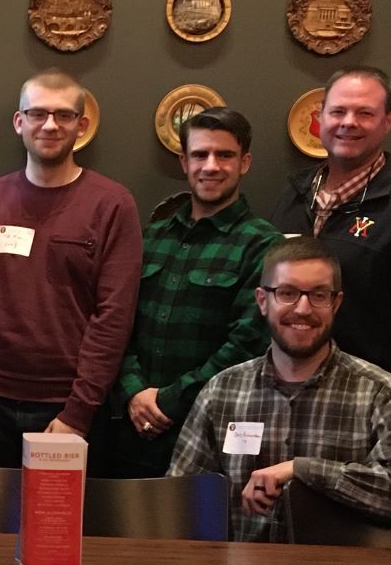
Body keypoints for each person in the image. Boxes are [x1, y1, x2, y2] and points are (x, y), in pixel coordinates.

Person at [169, 237, 391, 543]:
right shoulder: (221, 392)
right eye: (287, 293)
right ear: (262, 301)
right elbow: (180, 503)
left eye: (318, 295)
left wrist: (305, 471)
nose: (302, 309)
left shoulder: (382, 394)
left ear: (336, 303)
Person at [0, 69, 141, 467]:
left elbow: (114, 317)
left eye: (63, 115)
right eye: (37, 114)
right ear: (19, 122)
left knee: (62, 529)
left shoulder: (113, 205)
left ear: (81, 125)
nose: (49, 125)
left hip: (68, 409)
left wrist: (79, 411)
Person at [270, 67, 391, 421]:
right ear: (320, 117)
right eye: (338, 111)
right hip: (284, 406)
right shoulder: (292, 201)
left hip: (369, 415)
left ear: (387, 122)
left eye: (365, 113)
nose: (348, 122)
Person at [105, 107, 281, 478]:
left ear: (244, 162)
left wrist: (169, 401)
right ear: (184, 162)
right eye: (200, 155)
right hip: (129, 431)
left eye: (225, 155)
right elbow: (117, 322)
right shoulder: (152, 237)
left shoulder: (263, 246)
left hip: (209, 436)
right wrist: (134, 391)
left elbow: (246, 345)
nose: (211, 166)